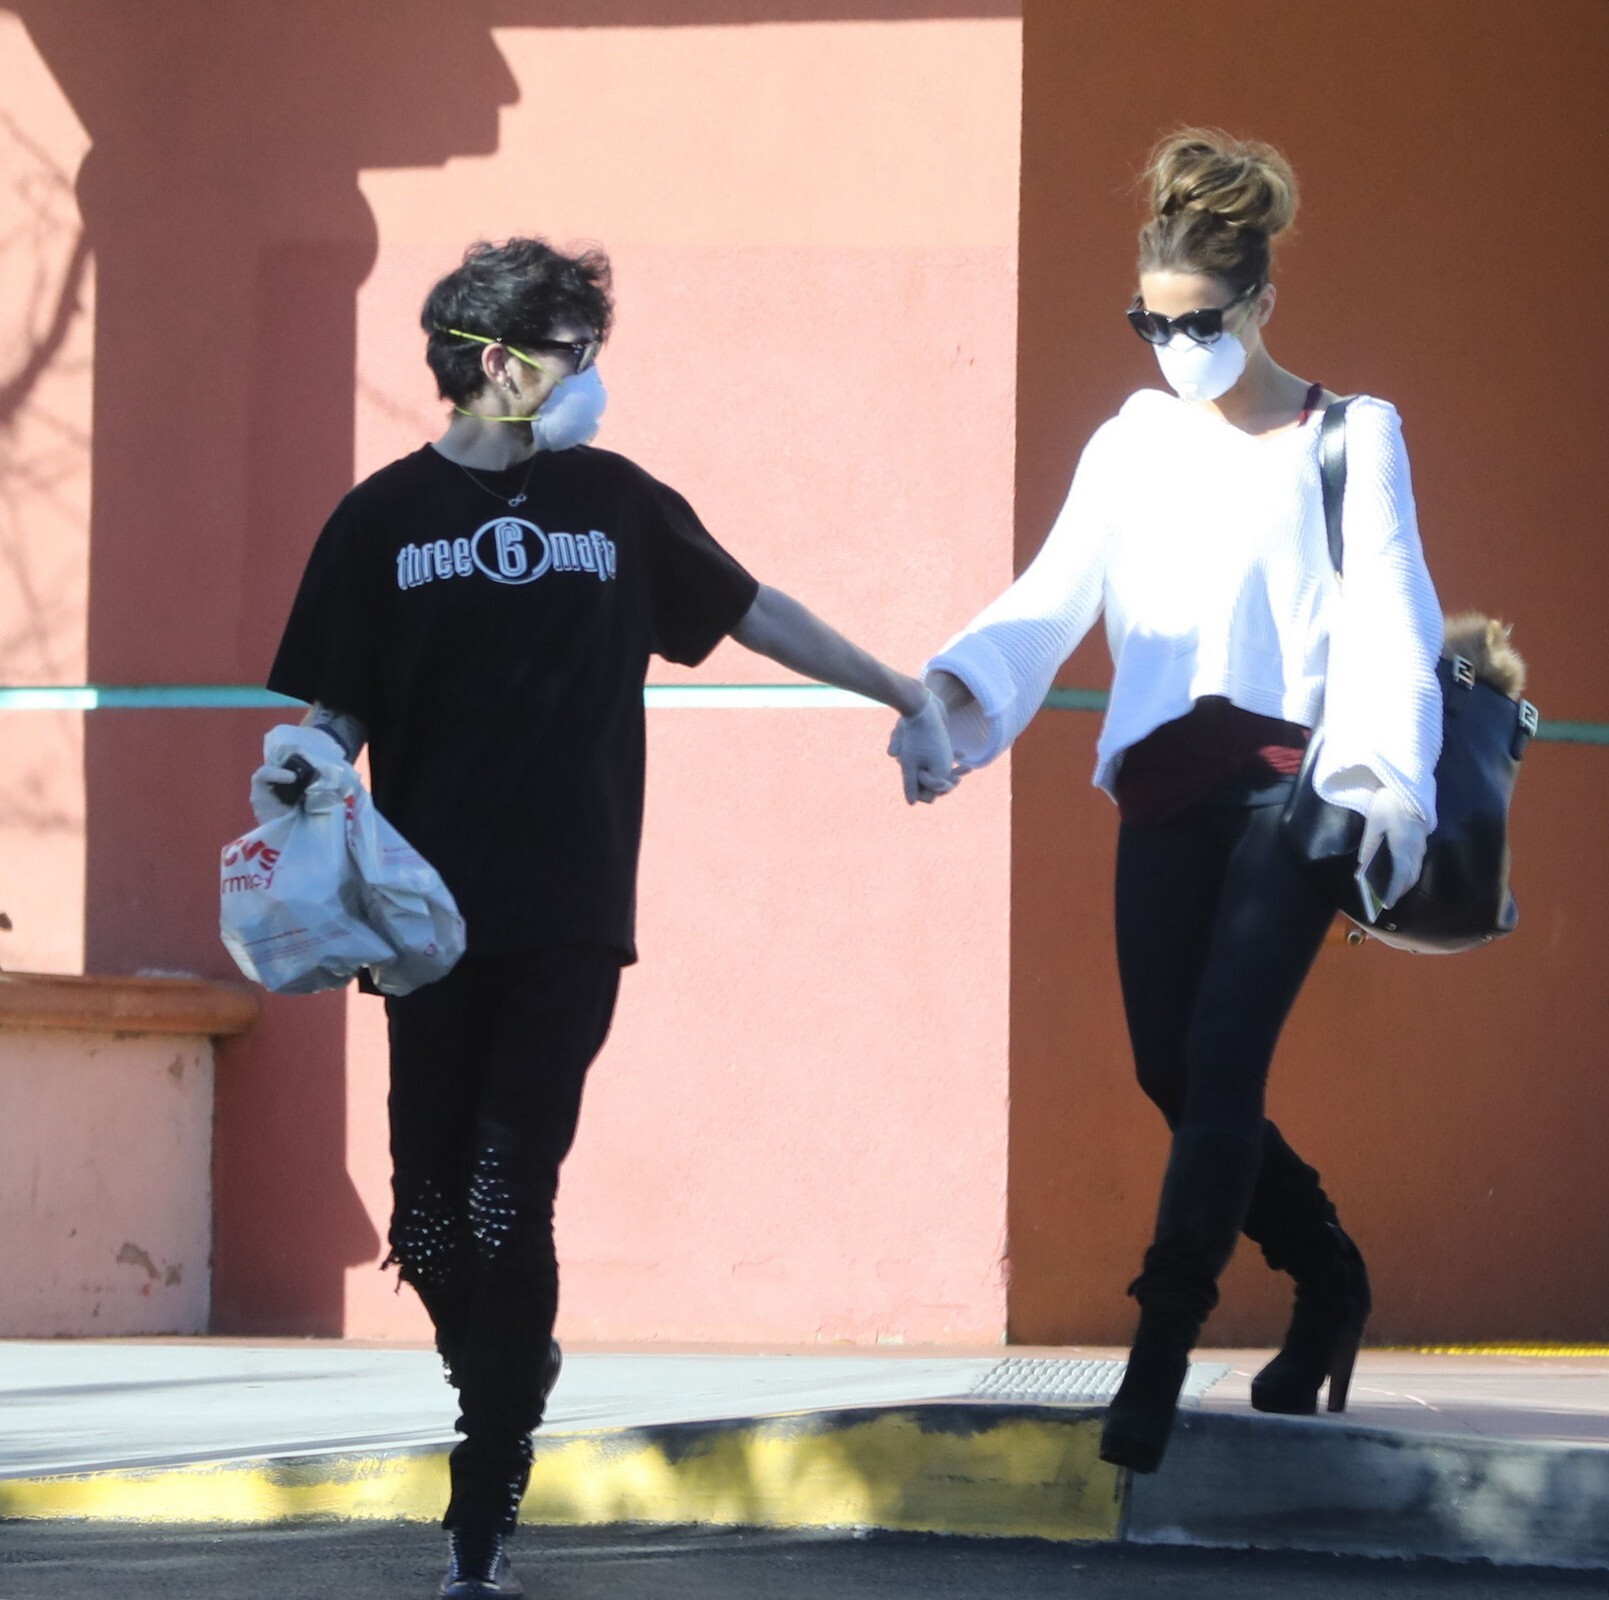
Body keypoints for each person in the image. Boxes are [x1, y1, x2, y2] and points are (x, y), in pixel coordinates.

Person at [255, 236, 956, 1598]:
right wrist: (300, 762)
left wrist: (902, 689)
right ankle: (513, 1364)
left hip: (569, 909)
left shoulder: (617, 502)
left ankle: (482, 1506)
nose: (593, 376)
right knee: (429, 1224)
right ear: (501, 363)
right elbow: (336, 713)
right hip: (421, 925)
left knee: (506, 1194)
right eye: (577, 353)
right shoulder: (378, 521)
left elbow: (754, 611)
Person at [895, 130, 1443, 1474]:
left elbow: (1392, 614)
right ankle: (1325, 1271)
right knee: (1167, 1066)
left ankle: (1158, 1351)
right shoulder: (1131, 440)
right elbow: (1050, 595)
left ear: (1260, 302)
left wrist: (1387, 789)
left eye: (1197, 323)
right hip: (1159, 785)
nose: (1172, 345)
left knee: (1223, 1061)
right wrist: (945, 696)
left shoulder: (1347, 434)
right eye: (1149, 322)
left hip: (1291, 788)